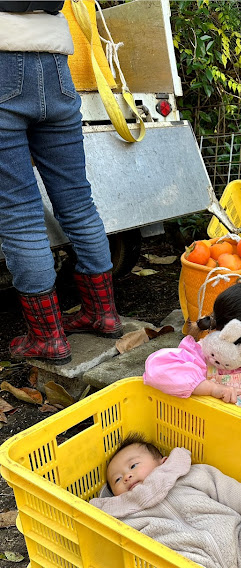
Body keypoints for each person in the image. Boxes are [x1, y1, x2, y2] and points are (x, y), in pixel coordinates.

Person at [0, 1, 122, 365]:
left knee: (20, 215)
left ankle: (48, 340)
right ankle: (105, 315)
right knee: (77, 202)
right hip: (56, 65)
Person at [91, 434, 241, 568]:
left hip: (238, 540)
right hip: (191, 565)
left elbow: (233, 492)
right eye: (117, 479)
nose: (127, 476)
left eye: (133, 466)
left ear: (163, 462)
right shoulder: (123, 515)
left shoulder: (190, 475)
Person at [143, 281, 241, 414]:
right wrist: (212, 389)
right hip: (220, 434)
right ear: (229, 347)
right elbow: (158, 369)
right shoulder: (201, 357)